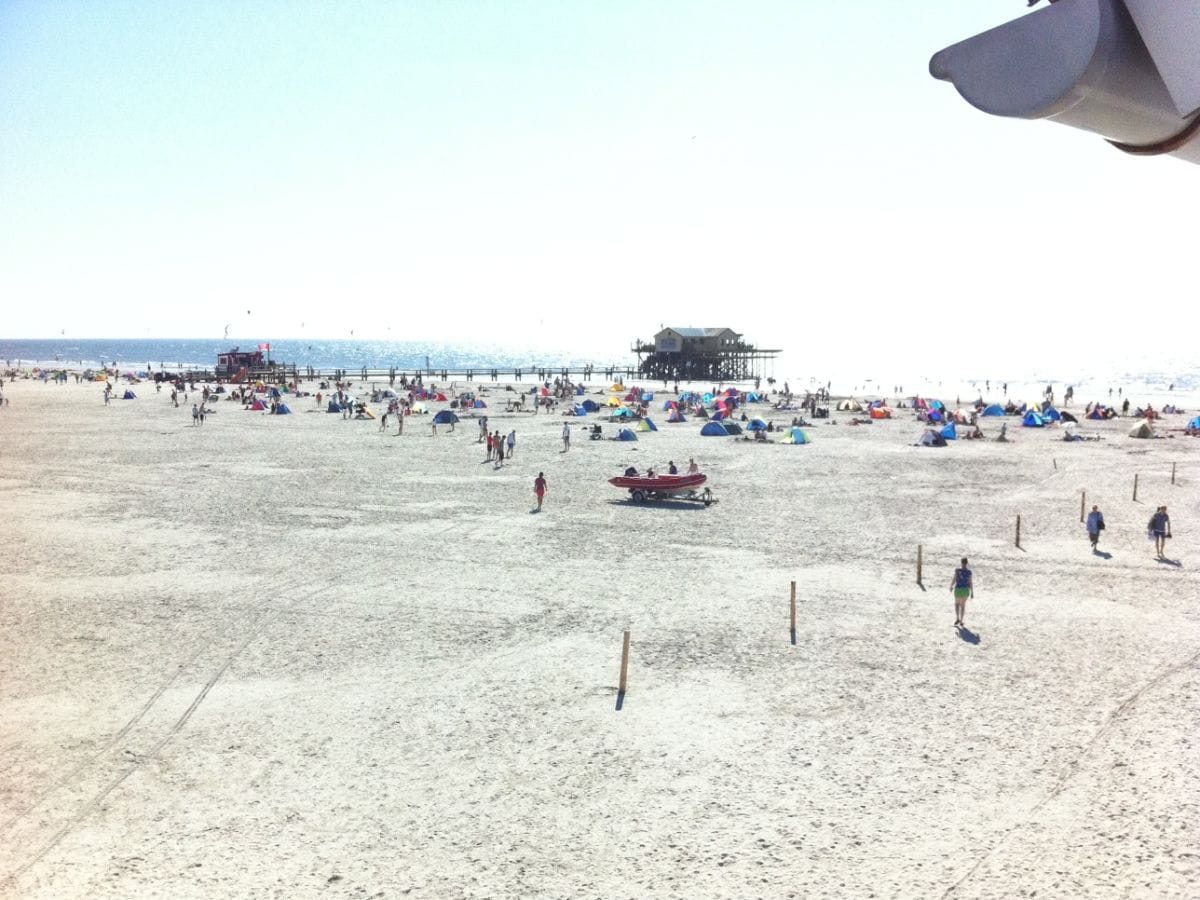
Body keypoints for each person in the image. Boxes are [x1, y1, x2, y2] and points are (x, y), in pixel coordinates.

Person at [950, 557, 973, 627]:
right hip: (966, 589)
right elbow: (970, 582)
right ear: (967, 563)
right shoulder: (969, 572)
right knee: (963, 606)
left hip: (958, 589)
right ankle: (962, 620)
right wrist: (972, 592)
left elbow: (954, 579)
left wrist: (951, 586)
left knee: (957, 604)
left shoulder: (957, 570)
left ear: (961, 562)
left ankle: (957, 618)